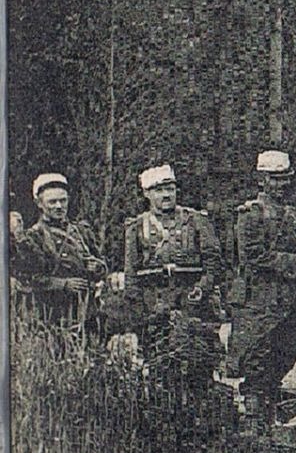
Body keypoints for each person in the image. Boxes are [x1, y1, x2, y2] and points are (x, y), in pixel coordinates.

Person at [230, 150, 296, 427]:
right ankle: (254, 420)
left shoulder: (295, 215)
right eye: (275, 180)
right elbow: (252, 257)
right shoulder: (250, 215)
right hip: (259, 302)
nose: (281, 185)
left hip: (290, 301)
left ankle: (268, 405)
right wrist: (295, 260)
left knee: (293, 343)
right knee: (257, 357)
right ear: (262, 181)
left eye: (285, 179)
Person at [123, 164, 225, 391]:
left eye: (170, 188)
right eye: (159, 190)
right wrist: (139, 311)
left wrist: (203, 287)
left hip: (193, 301)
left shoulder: (196, 220)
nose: (167, 195)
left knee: (199, 361)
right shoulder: (137, 227)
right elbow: (131, 273)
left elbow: (214, 262)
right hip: (156, 303)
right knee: (160, 364)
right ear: (147, 194)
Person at [15, 172, 107, 326]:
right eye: (52, 202)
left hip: (87, 310)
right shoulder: (33, 238)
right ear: (39, 203)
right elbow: (27, 278)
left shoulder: (82, 231)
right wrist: (63, 284)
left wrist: (98, 268)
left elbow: (102, 265)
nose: (59, 206)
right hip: (52, 313)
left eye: (63, 201)